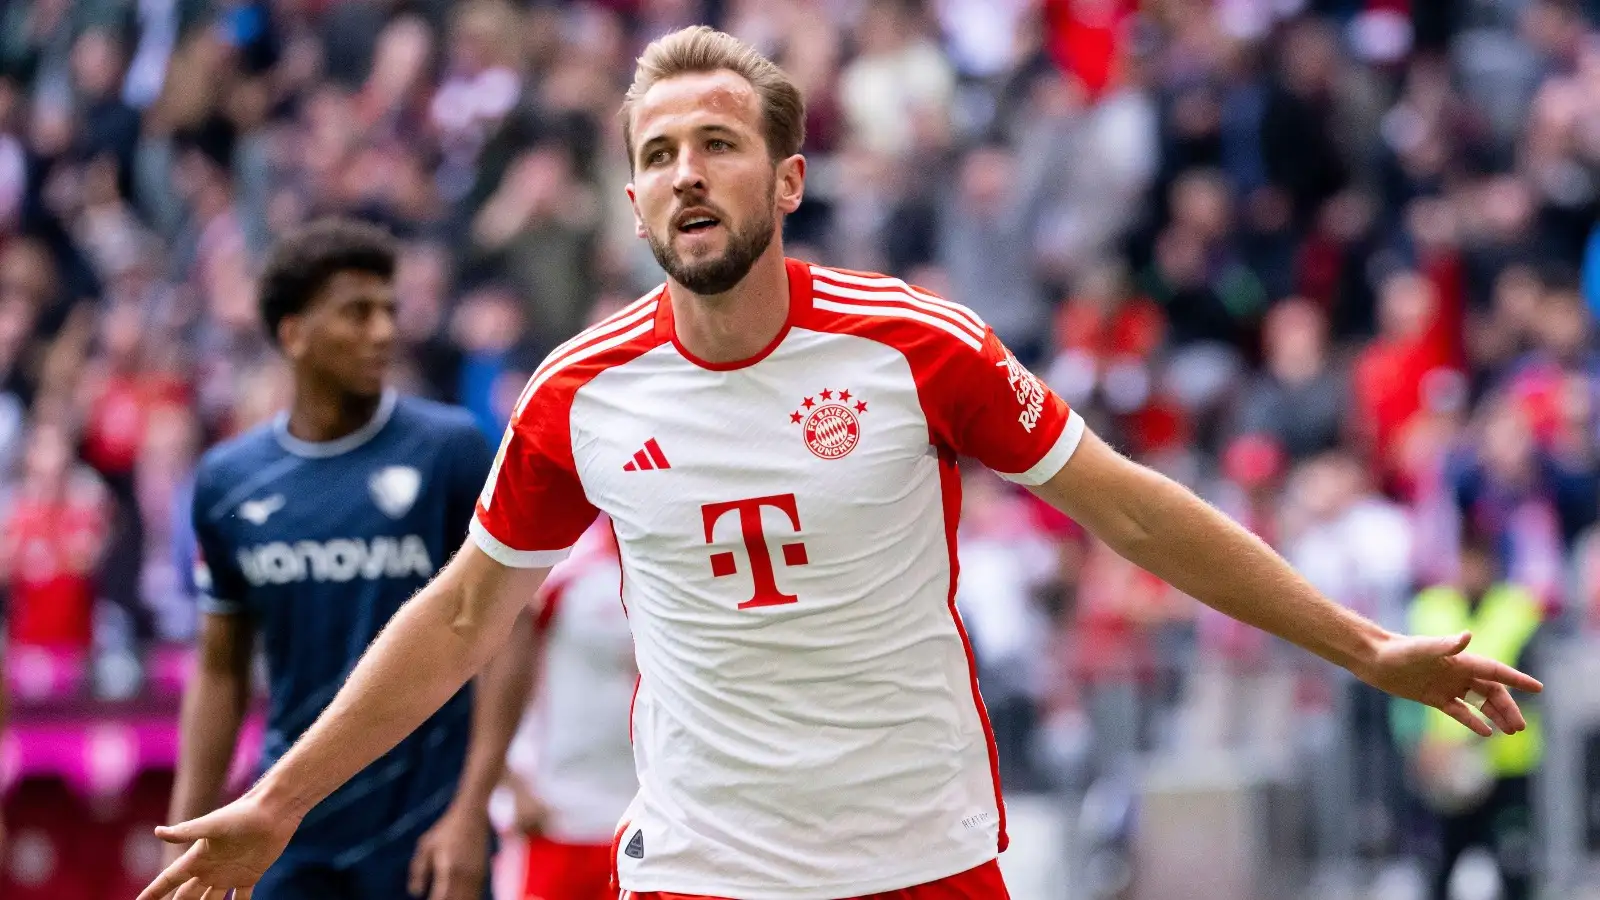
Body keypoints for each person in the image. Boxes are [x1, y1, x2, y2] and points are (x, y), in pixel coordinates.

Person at [140, 27, 1541, 900]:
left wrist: (1369, 650)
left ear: (786, 180)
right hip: (702, 873)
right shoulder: (578, 395)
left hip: (919, 857)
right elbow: (460, 619)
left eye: (718, 145)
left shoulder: (915, 347)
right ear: (631, 197)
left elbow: (1131, 507)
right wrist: (280, 799)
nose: (687, 172)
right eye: (658, 153)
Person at [162, 218, 527, 900]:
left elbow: (508, 634)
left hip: (423, 832)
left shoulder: (449, 450)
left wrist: (472, 809)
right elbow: (219, 669)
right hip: (288, 832)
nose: (384, 331)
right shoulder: (227, 483)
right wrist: (187, 829)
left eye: (389, 310)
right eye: (357, 313)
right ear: (294, 333)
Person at [1397, 533, 1543, 900]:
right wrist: (1415, 743)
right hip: (1445, 772)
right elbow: (1405, 683)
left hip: (1508, 765)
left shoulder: (1519, 609)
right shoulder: (1428, 608)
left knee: (1514, 868)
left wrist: (1473, 736)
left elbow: (1530, 685)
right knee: (1438, 869)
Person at [500, 518, 636, 900]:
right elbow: (486, 672)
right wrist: (509, 781)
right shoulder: (560, 568)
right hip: (557, 815)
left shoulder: (678, 568)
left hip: (644, 823)